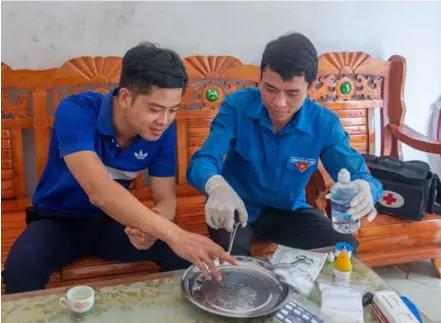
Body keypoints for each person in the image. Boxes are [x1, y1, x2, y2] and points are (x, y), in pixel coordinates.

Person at [2, 42, 236, 294]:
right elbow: (99, 191)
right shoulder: (77, 110)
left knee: (185, 257)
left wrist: (153, 226)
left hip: (118, 220)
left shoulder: (162, 132)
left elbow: (165, 198)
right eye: (155, 109)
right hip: (59, 220)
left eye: (172, 110)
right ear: (125, 97)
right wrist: (173, 233)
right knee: (20, 271)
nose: (164, 121)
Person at [186, 32, 383, 256]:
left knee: (342, 247)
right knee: (234, 261)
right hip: (237, 207)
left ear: (309, 87)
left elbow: (360, 175)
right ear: (260, 79)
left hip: (289, 211)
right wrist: (216, 186)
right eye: (269, 89)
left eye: (292, 93)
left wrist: (366, 190)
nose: (279, 103)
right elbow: (203, 161)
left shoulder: (324, 124)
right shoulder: (237, 106)